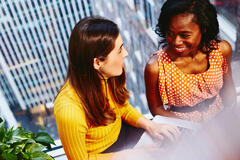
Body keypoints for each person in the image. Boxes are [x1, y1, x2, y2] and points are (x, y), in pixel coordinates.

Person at [54, 16, 179, 160]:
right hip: (101, 155)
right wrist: (127, 155)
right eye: (119, 50)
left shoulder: (110, 73)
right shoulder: (68, 110)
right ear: (98, 62)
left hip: (123, 134)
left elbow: (122, 107)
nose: (125, 53)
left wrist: (151, 126)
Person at [144, 0, 236, 122]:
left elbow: (228, 89)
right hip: (183, 127)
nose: (176, 42)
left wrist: (232, 115)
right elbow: (156, 109)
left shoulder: (222, 50)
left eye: (185, 35)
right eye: (170, 33)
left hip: (220, 119)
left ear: (203, 29)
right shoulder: (155, 67)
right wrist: (192, 126)